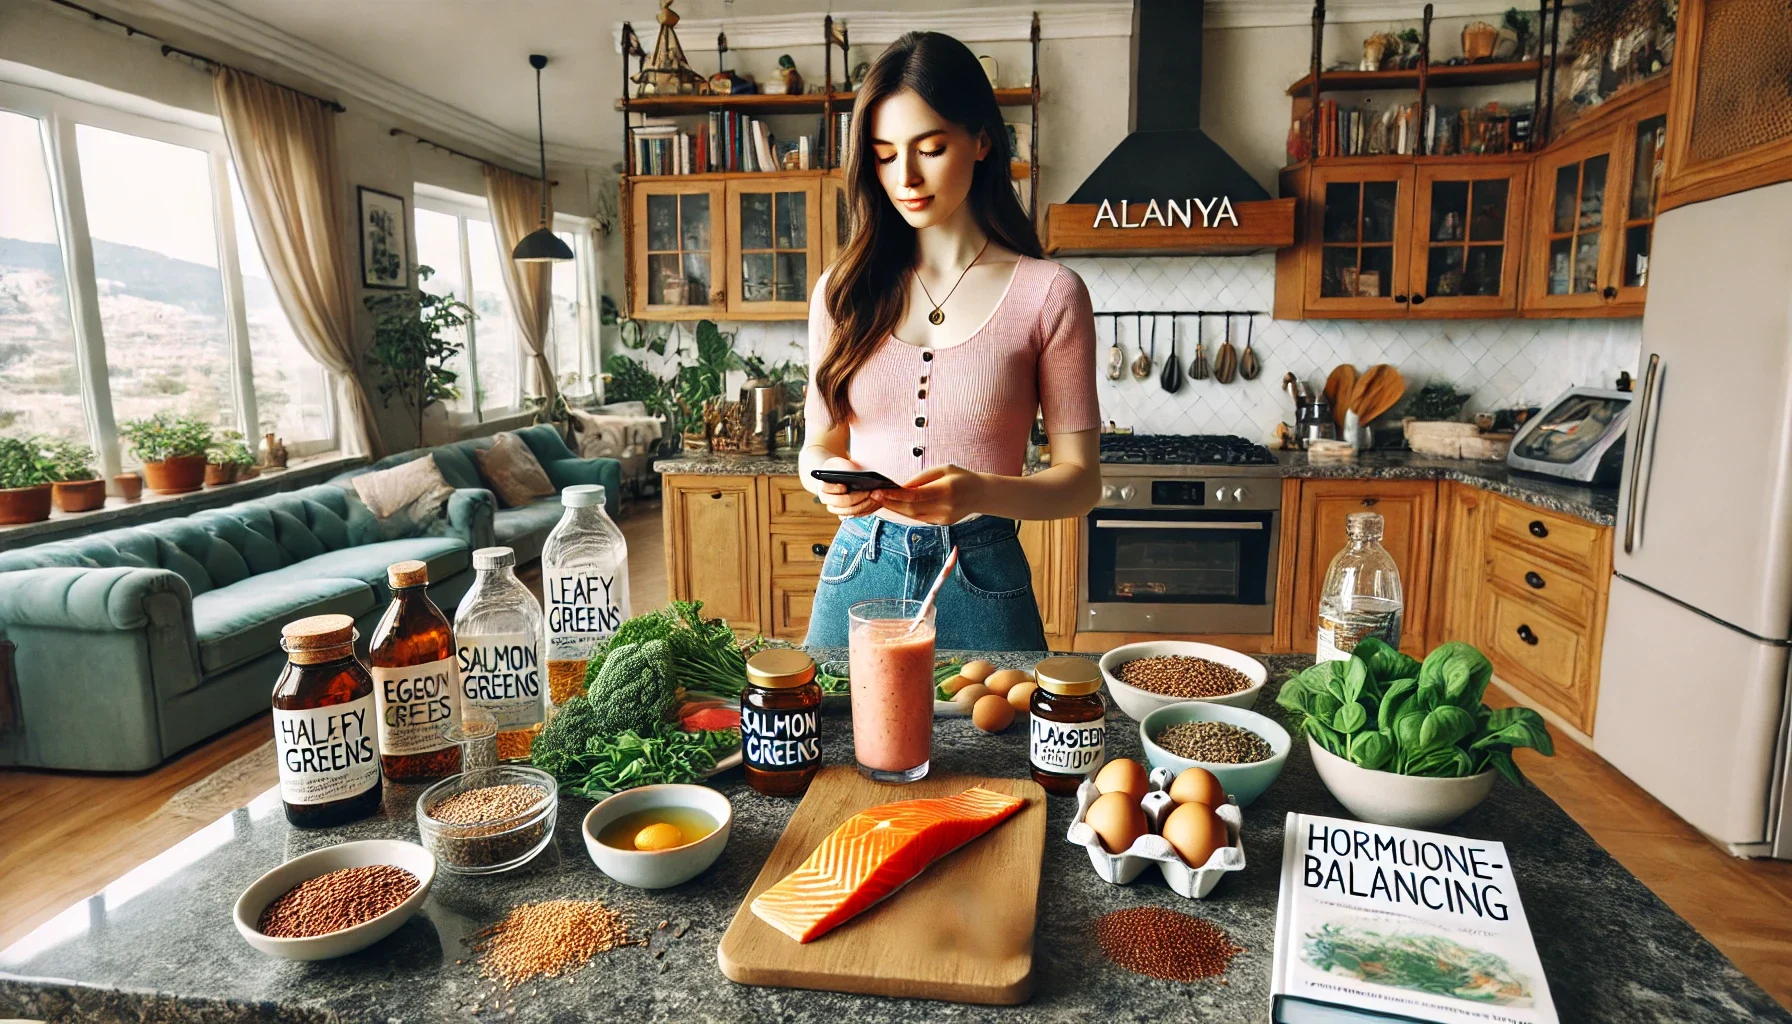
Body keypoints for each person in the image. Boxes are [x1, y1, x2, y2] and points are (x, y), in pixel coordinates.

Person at [799, 30, 1101, 651]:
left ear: (982, 140)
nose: (905, 176)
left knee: (1001, 746)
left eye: (930, 148)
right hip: (858, 569)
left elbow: (1081, 481)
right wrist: (829, 475)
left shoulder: (1050, 294)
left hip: (983, 573)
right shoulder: (841, 293)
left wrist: (981, 491)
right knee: (835, 748)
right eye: (883, 155)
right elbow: (815, 448)